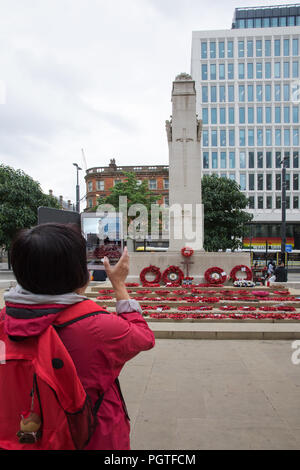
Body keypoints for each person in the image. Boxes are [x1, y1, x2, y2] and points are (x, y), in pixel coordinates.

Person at [1, 223, 155, 450]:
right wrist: (119, 286)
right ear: (77, 272)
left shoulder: (4, 320)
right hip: (92, 438)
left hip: (18, 437)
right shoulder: (99, 326)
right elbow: (143, 337)